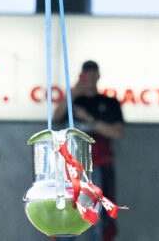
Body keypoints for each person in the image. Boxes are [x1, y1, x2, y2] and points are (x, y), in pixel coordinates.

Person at [53, 60, 125, 241]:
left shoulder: (108, 103)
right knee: (68, 216)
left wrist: (89, 119)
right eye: (86, 75)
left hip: (98, 167)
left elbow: (117, 133)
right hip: (71, 169)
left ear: (98, 76)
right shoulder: (74, 102)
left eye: (93, 75)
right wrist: (73, 94)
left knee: (95, 219)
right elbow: (55, 119)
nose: (90, 79)